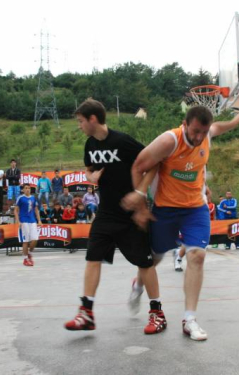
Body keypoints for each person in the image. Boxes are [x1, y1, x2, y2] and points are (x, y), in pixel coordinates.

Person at [123, 106, 239, 341]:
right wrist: (140, 207)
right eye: (196, 131)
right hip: (165, 208)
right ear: (185, 124)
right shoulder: (169, 141)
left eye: (204, 132)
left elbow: (225, 125)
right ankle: (138, 284)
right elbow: (138, 166)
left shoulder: (208, 134)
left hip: (195, 209)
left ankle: (189, 319)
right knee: (155, 258)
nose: (200, 137)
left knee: (197, 256)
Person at [64, 99, 166, 335]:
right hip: (106, 212)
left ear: (93, 119)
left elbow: (154, 164)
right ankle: (86, 313)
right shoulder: (90, 145)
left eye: (80, 121)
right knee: (92, 257)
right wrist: (90, 177)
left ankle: (157, 313)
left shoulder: (123, 142)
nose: (79, 126)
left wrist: (140, 193)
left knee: (145, 263)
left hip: (132, 215)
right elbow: (88, 169)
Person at [14, 184, 42, 267]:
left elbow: (36, 209)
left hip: (32, 220)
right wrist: (18, 221)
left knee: (35, 239)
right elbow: (16, 210)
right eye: (26, 188)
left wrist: (39, 220)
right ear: (23, 190)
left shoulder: (33, 198)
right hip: (24, 220)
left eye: (29, 188)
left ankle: (29, 253)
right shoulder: (20, 198)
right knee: (25, 241)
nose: (27, 189)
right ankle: (25, 259)